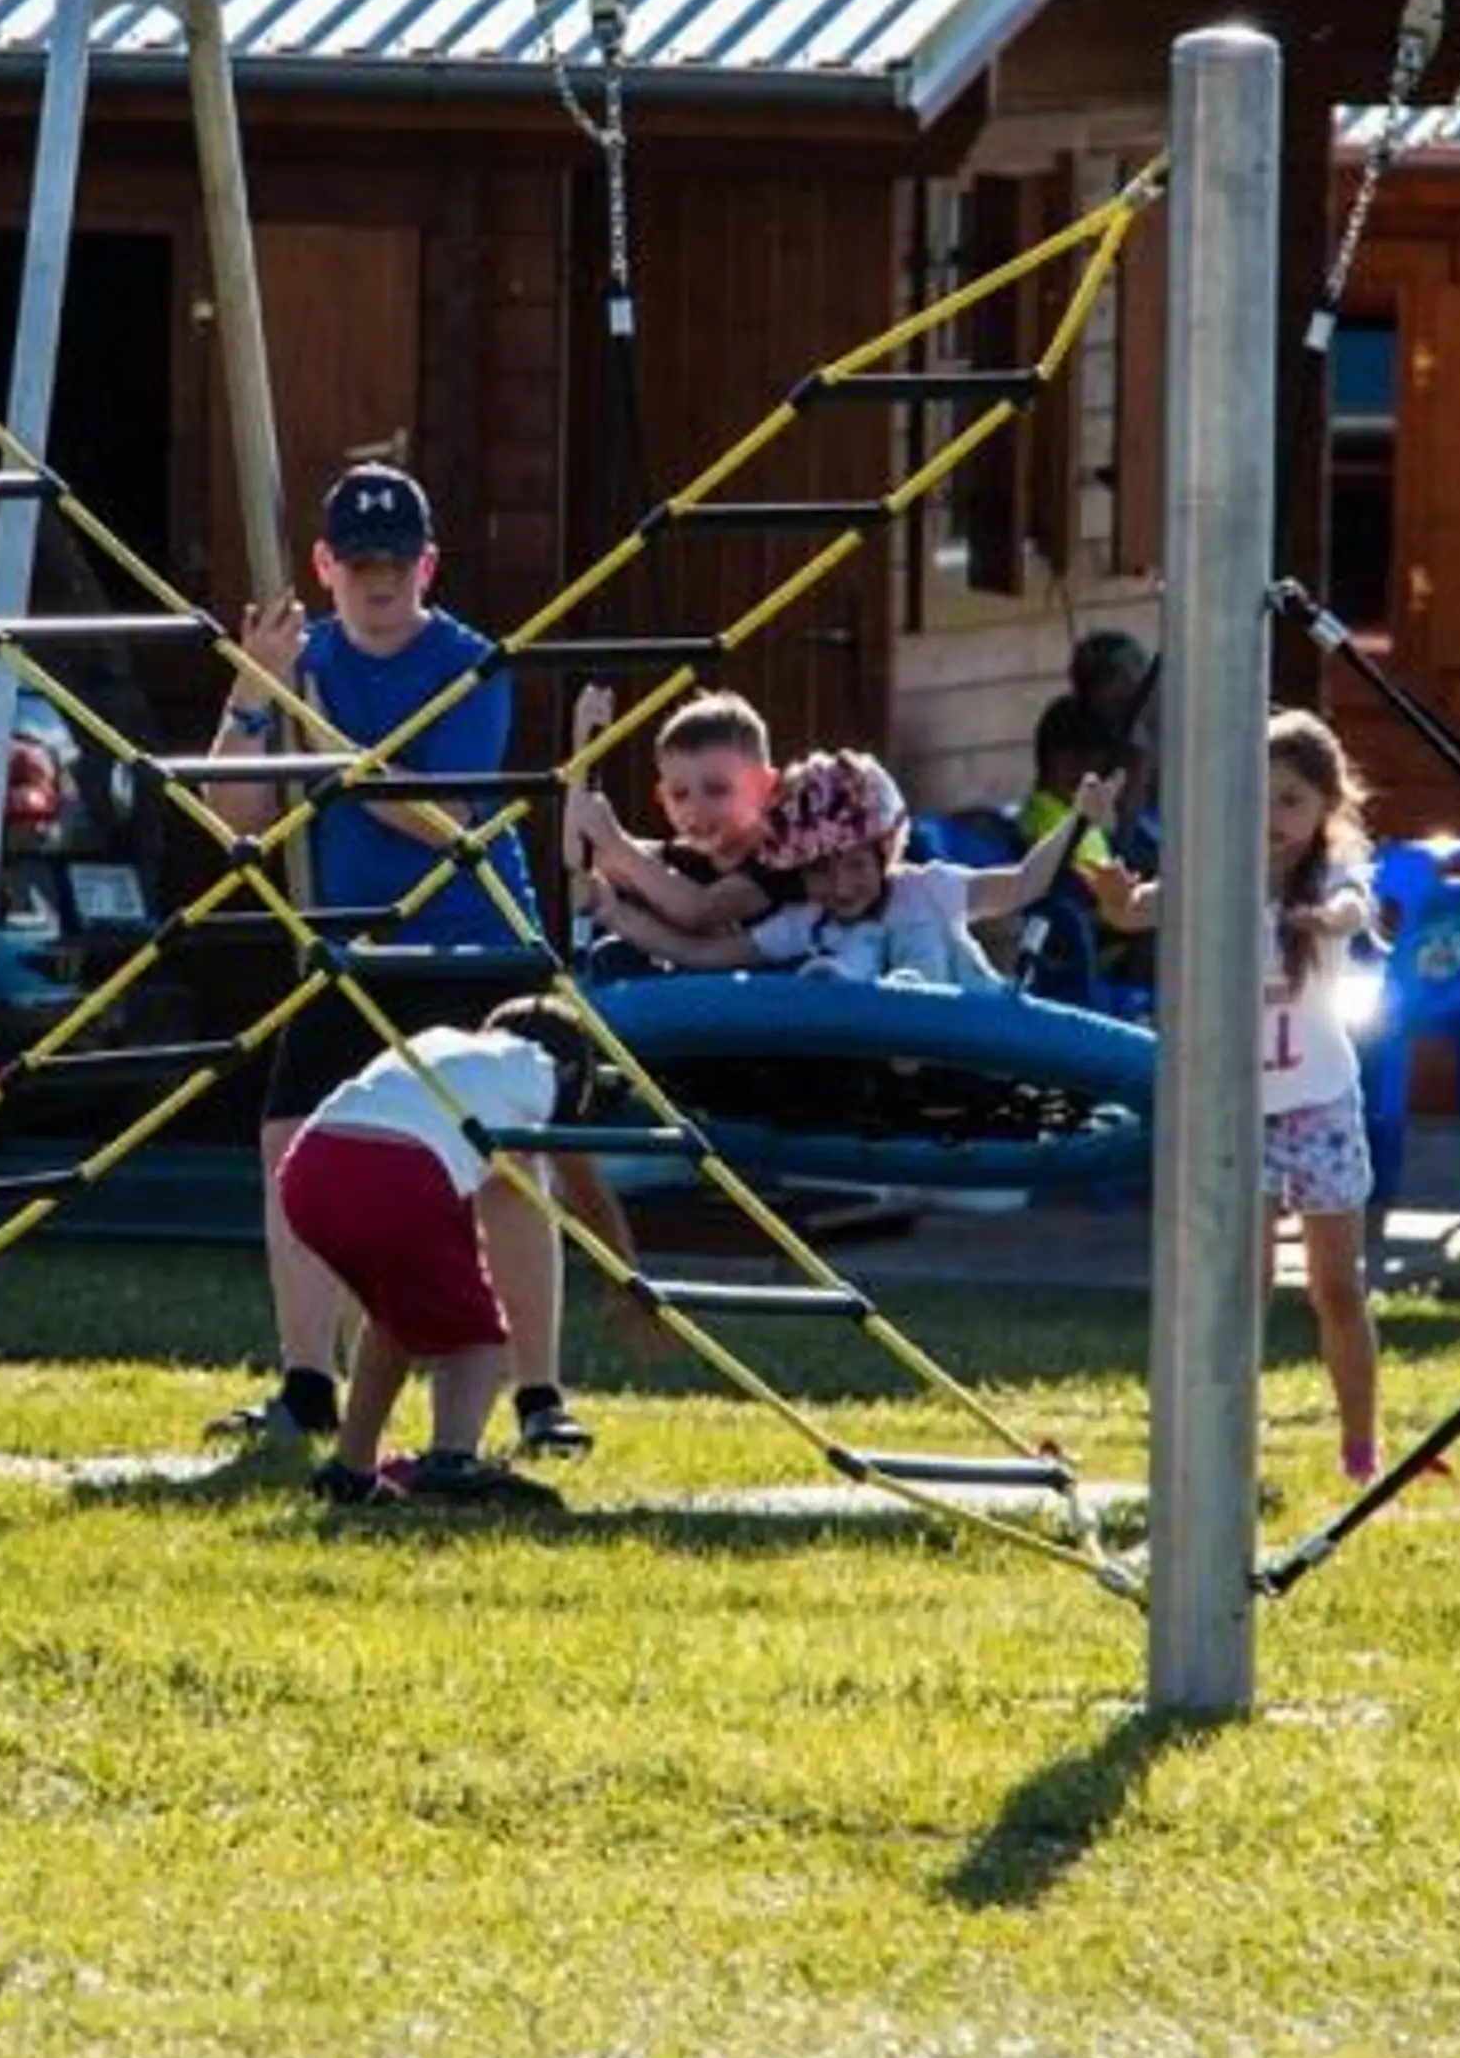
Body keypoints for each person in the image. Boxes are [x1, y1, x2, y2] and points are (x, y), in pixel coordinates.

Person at [201, 464, 581, 1456]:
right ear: (325, 565)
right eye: (362, 563)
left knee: (505, 1161)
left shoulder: (471, 664)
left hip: (472, 940)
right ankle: (305, 1382)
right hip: (354, 944)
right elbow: (232, 819)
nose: (381, 583)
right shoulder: (297, 661)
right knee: (289, 1142)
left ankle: (541, 1397)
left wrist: (322, 751)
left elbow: (441, 820)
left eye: (399, 564)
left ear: (429, 564)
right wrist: (255, 689)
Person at [1080, 708, 1392, 1485]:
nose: (1273, 817)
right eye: (1260, 797)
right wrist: (1113, 888)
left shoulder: (1332, 878)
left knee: (1336, 1286)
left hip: (1319, 1104)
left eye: (1293, 800)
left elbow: (1356, 909)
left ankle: (1360, 1446)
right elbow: (1131, 910)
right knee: (1239, 1287)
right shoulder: (1211, 875)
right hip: (1236, 1110)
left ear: (1326, 806)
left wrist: (1323, 919)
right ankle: (1226, 1454)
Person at [273, 997, 657, 1509]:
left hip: (309, 1171)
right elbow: (588, 1193)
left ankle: (351, 1466)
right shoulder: (539, 1068)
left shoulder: (440, 1044)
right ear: (571, 1066)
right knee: (478, 1337)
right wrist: (626, 1279)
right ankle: (452, 1459)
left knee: (393, 1319)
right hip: (399, 1172)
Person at [596, 746, 1089, 987]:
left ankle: (908, 991)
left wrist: (1079, 817)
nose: (840, 886)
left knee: (918, 931)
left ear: (883, 853)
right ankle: (841, 985)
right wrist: (615, 915)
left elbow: (1026, 882)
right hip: (883, 1064)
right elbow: (703, 954)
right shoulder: (808, 921)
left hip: (967, 1030)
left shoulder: (929, 888)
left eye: (855, 865)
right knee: (847, 952)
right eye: (820, 871)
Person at [560, 681, 794, 966]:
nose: (696, 809)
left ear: (765, 786)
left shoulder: (780, 857)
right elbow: (582, 853)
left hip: (790, 999)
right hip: (709, 1002)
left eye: (717, 790)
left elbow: (700, 908)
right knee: (610, 957)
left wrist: (617, 842)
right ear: (661, 797)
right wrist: (583, 749)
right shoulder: (683, 857)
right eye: (680, 795)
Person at [1015, 628, 1160, 856]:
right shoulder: (1081, 741)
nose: (1126, 717)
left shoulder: (1169, 727)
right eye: (1116, 705)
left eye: (1134, 700)